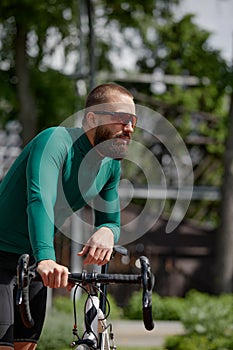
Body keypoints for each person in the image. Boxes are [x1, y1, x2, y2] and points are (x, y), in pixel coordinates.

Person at [0, 83, 137, 350]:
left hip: (32, 263)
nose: (130, 128)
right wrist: (47, 257)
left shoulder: (110, 167)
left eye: (133, 120)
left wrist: (107, 231)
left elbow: (110, 220)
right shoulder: (55, 140)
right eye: (122, 118)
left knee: (25, 347)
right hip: (6, 256)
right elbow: (39, 199)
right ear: (92, 119)